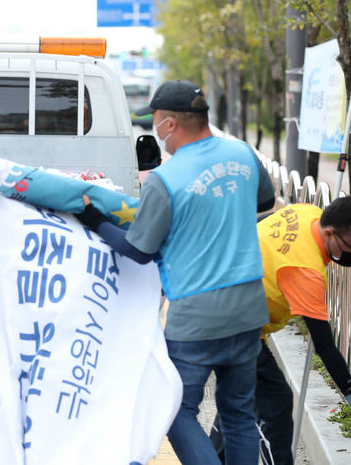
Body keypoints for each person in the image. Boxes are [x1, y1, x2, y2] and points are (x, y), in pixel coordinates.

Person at [74, 80, 275, 465]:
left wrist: (95, 219)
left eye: (154, 121)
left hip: (197, 318)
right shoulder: (244, 155)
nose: (152, 129)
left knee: (176, 410)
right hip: (249, 307)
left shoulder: (167, 180)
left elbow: (139, 249)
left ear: (169, 124)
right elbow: (263, 200)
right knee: (238, 414)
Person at [209, 196, 351, 464]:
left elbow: (261, 225)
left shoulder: (308, 213)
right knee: (275, 405)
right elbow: (324, 345)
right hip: (232, 325)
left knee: (240, 401)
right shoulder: (304, 270)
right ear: (329, 232)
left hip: (223, 304)